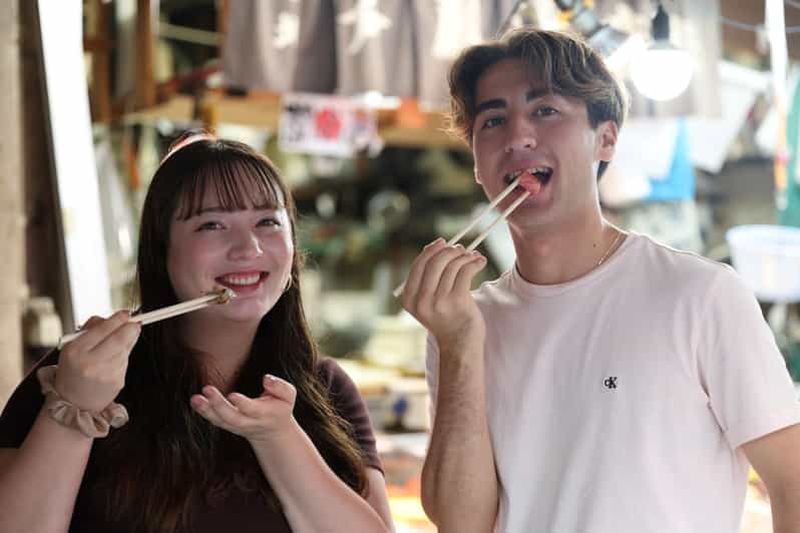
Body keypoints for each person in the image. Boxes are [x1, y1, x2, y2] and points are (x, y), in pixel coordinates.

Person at [400, 28, 800, 533]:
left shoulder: (700, 295)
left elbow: (793, 485)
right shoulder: (464, 323)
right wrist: (456, 345)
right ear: (477, 161)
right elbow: (462, 524)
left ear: (605, 138)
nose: (519, 136)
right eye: (493, 120)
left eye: (545, 110)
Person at [0, 132, 394, 533]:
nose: (249, 248)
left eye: (267, 221)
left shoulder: (326, 389)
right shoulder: (78, 373)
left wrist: (280, 438)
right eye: (212, 224)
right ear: (161, 250)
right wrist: (73, 409)